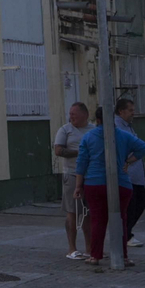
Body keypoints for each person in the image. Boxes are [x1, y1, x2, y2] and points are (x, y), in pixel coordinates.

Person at [74, 107, 145, 266]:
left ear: (97, 120)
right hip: (121, 183)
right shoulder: (124, 136)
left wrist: (78, 186)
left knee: (97, 220)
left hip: (95, 183)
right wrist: (127, 161)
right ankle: (123, 256)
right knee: (120, 220)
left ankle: (95, 255)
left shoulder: (89, 137)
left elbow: (81, 164)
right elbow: (144, 148)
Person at [53, 102, 91, 260]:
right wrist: (79, 153)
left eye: (74, 114)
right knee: (73, 212)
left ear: (84, 115)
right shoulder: (65, 130)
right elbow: (58, 150)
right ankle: (72, 248)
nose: (71, 117)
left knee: (88, 213)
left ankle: (90, 248)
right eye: (70, 114)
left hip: (91, 176)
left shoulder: (93, 129)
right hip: (72, 174)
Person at [113, 98, 145, 248]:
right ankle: (125, 235)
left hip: (135, 173)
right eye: (131, 110)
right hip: (127, 174)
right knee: (131, 205)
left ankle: (127, 232)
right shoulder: (117, 126)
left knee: (140, 201)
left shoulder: (128, 126)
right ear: (121, 111)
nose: (133, 113)